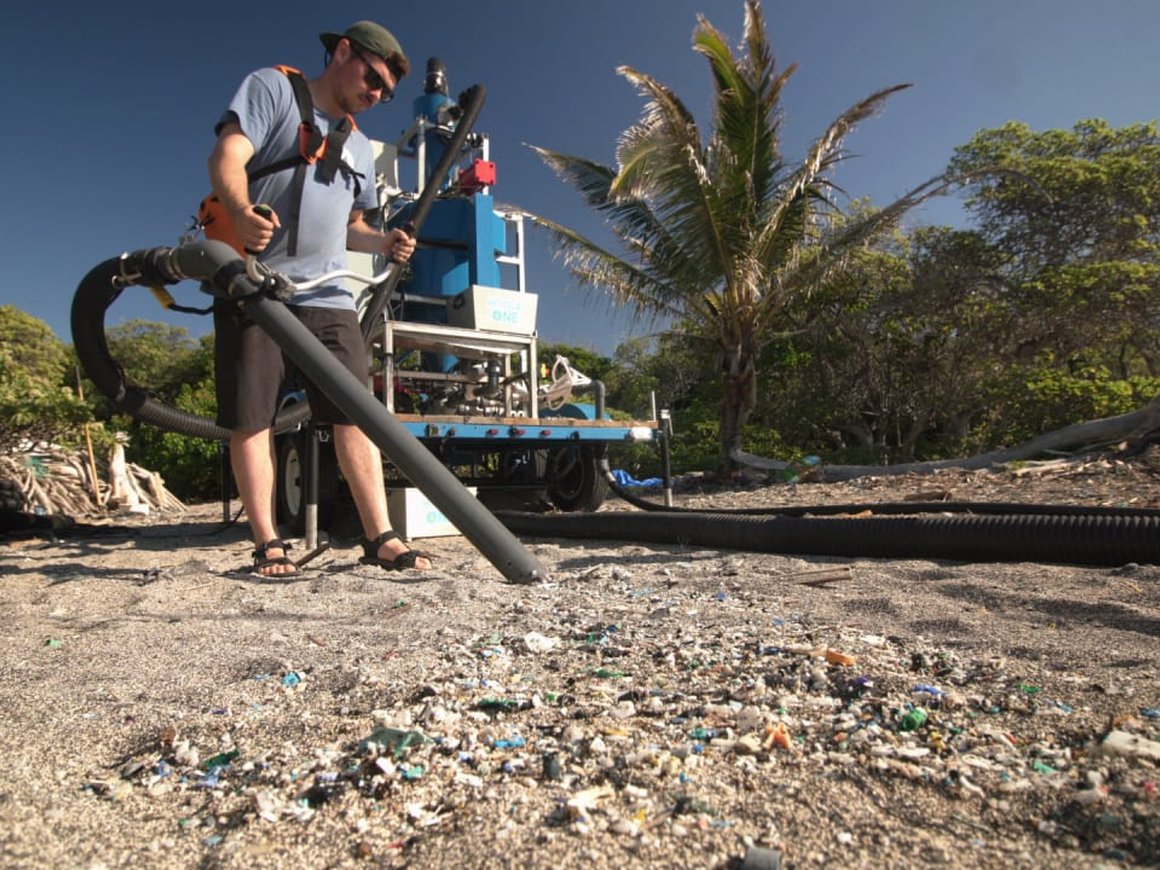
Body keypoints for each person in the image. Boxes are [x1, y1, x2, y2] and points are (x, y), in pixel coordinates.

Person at [208, 21, 431, 577]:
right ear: (341, 52)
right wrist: (239, 212)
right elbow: (227, 157)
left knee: (356, 412)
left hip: (328, 294)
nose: (376, 95)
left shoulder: (357, 144)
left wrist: (383, 241)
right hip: (254, 282)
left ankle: (380, 536)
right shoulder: (273, 90)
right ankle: (268, 542)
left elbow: (351, 225)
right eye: (371, 78)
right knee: (253, 415)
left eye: (385, 92)